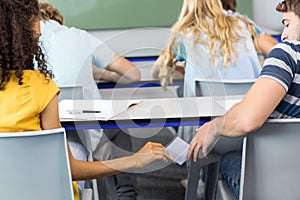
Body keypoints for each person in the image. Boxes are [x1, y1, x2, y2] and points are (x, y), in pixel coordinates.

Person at [0, 1, 171, 200]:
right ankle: (126, 192)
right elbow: (68, 168)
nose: (39, 31)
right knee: (113, 132)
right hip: (48, 194)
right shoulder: (41, 87)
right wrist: (134, 160)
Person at [187, 0, 300, 199]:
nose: (283, 35)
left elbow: (248, 121)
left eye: (287, 24)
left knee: (228, 160)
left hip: (273, 182)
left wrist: (213, 127)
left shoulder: (287, 53)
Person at [151, 0, 262, 198]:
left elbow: (156, 72)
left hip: (208, 138)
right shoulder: (243, 25)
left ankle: (200, 181)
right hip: (252, 130)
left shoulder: (184, 33)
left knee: (185, 102)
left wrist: (186, 70)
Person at [38, 2, 141, 199]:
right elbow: (133, 74)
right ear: (59, 20)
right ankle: (126, 191)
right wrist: (102, 74)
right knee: (118, 128)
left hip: (41, 132)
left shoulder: (19, 47)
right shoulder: (79, 36)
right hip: (85, 130)